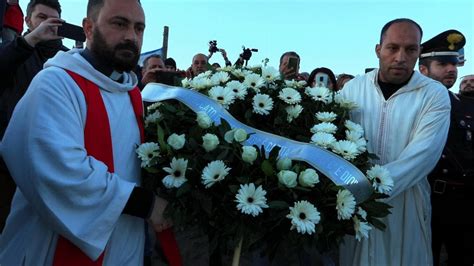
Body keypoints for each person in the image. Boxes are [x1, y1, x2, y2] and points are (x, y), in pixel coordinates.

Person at [0, 0, 171, 265]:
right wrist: (146, 204)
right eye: (119, 24)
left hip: (125, 242)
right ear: (88, 28)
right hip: (54, 244)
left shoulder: (132, 94)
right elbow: (58, 169)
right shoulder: (56, 83)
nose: (131, 36)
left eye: (139, 28)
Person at [339, 18, 451, 265]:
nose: (401, 57)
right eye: (393, 48)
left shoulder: (434, 95)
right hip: (353, 204)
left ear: (419, 52)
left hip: (405, 204)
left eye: (410, 49)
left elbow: (421, 157)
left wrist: (367, 190)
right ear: (378, 49)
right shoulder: (352, 90)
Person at [0, 0, 68, 233]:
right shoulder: (14, 52)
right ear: (28, 21)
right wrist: (30, 41)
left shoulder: (71, 60)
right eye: (41, 18)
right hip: (9, 165)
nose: (48, 24)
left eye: (54, 19)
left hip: (55, 162)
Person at [419, 29, 473, 265]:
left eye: (454, 64)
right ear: (423, 70)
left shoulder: (464, 106)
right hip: (422, 196)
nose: (451, 69)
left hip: (460, 201)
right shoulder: (408, 104)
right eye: (442, 63)